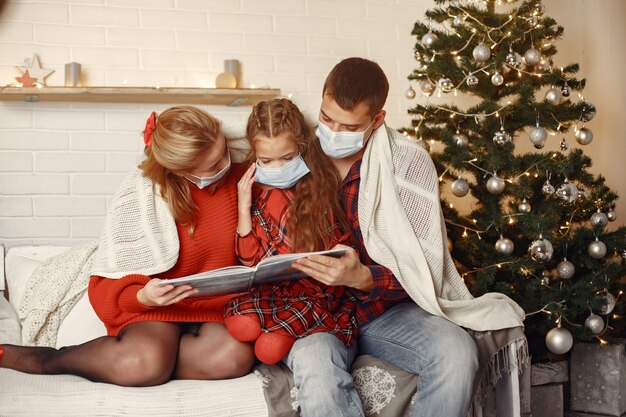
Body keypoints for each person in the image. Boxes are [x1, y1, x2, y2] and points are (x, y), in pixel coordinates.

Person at [286, 57, 528, 417]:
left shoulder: (407, 163)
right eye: (326, 118)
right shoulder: (292, 154)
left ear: (377, 119)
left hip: (383, 311)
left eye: (349, 126)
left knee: (457, 352)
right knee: (316, 368)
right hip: (317, 314)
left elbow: (422, 265)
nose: (333, 132)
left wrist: (363, 277)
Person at [0, 105, 256, 386]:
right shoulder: (140, 196)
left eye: (225, 154)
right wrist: (143, 297)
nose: (225, 166)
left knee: (232, 358)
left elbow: (282, 131)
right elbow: (107, 287)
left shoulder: (244, 179)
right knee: (141, 364)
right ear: (181, 170)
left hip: (216, 309)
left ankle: (161, 360)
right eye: (212, 165)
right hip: (157, 310)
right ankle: (48, 360)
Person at [223, 98, 358, 365]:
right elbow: (249, 260)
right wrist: (243, 206)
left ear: (301, 148)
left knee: (268, 351)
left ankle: (288, 332)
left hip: (314, 292)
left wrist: (339, 255)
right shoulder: (256, 192)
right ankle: (278, 329)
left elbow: (339, 245)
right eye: (266, 160)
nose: (277, 168)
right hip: (273, 290)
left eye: (287, 158)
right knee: (241, 325)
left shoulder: (319, 185)